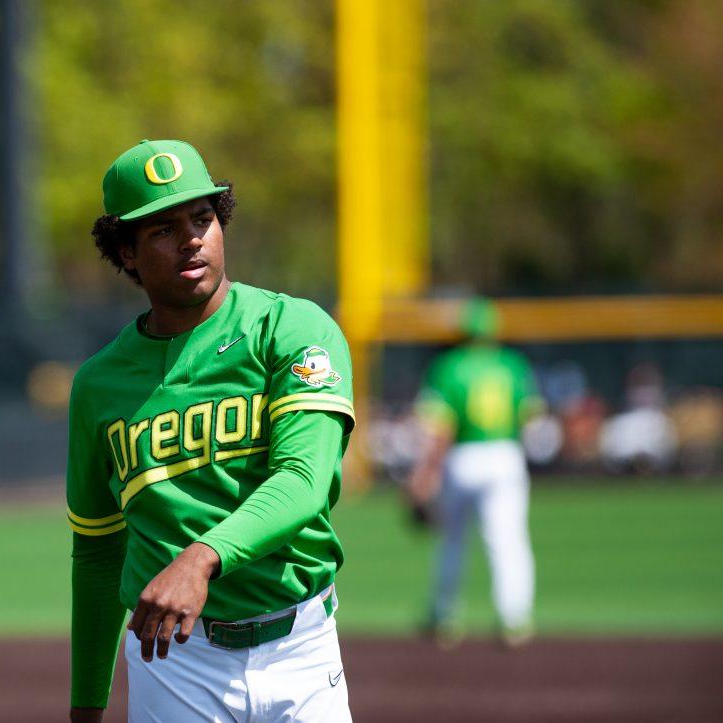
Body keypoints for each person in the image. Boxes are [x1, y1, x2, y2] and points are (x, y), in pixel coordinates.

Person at [67, 139, 356, 722]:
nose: (192, 238)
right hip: (174, 663)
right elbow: (98, 550)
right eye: (164, 230)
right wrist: (86, 705)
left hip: (300, 649)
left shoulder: (290, 329)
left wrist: (200, 559)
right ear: (126, 252)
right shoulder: (99, 385)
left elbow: (302, 481)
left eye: (203, 217)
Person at [407, 299, 543, 648]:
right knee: (509, 541)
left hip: (463, 458)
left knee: (452, 541)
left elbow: (439, 428)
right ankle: (514, 619)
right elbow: (531, 419)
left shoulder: (449, 366)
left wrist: (425, 474)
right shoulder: (513, 365)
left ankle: (445, 617)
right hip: (506, 454)